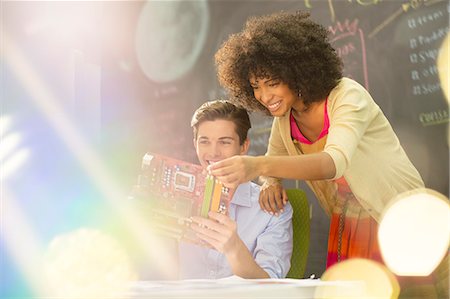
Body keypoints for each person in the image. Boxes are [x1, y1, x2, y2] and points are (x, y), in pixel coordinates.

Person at [209, 11, 445, 298]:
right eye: (256, 87)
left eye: (272, 83)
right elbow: (274, 159)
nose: (264, 96)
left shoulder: (347, 96)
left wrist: (256, 164)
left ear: (297, 72)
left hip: (397, 218)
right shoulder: (285, 119)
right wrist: (270, 181)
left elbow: (333, 163)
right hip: (348, 228)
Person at [178, 100, 293, 279]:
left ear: (244, 146)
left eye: (224, 142)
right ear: (195, 144)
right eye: (205, 142)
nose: (213, 152)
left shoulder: (271, 209)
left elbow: (270, 286)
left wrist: (233, 248)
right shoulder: (174, 197)